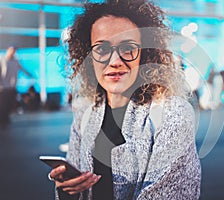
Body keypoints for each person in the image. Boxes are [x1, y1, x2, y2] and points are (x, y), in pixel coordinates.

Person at [48, 0, 201, 200]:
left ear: (145, 54)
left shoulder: (173, 113)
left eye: (128, 48)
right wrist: (68, 190)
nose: (114, 61)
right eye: (101, 50)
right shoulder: (86, 113)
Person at [0, 46, 33, 126]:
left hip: (11, 87)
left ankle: (6, 118)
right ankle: (3, 118)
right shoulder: (2, 60)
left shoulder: (16, 61)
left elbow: (22, 69)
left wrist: (30, 75)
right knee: (2, 104)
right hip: (3, 87)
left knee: (9, 103)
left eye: (14, 51)